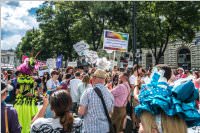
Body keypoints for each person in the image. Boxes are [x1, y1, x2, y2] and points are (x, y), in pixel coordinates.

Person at [135, 64, 200, 133]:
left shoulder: (151, 96)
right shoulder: (175, 98)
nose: (151, 75)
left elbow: (137, 96)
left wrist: (136, 85)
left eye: (153, 72)